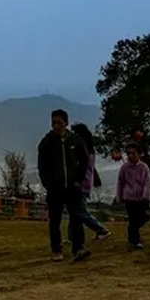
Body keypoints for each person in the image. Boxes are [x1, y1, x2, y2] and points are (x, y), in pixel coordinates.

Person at [36, 109, 93, 263]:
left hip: (73, 187)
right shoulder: (46, 142)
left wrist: (78, 180)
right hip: (55, 189)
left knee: (76, 218)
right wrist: (49, 185)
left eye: (59, 123)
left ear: (66, 123)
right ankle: (56, 249)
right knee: (55, 220)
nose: (56, 126)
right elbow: (42, 166)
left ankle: (78, 248)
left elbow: (84, 161)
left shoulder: (75, 140)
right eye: (54, 123)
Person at [71, 124, 113, 242]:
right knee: (75, 211)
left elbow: (82, 168)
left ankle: (100, 229)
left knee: (79, 211)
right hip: (86, 182)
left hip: (81, 183)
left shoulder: (82, 150)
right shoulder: (89, 149)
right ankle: (72, 236)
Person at [115, 144, 150, 249]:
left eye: (133, 153)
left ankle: (133, 235)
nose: (131, 156)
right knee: (133, 219)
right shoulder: (124, 167)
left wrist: (146, 195)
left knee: (142, 219)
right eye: (129, 154)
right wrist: (119, 197)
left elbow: (147, 182)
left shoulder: (144, 167)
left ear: (139, 154)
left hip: (141, 198)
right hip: (129, 198)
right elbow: (120, 182)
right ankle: (134, 240)